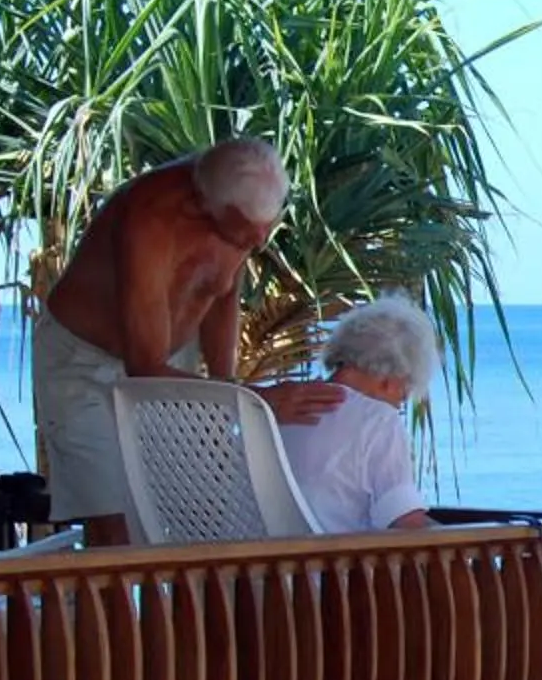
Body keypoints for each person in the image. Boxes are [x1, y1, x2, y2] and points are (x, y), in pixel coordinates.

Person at [33, 137, 337, 546]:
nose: (260, 242)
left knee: (198, 508)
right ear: (212, 206)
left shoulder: (242, 213)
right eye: (248, 233)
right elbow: (144, 368)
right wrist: (249, 399)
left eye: (265, 229)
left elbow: (221, 290)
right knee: (113, 524)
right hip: (83, 363)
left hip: (172, 362)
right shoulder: (150, 219)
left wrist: (226, 383)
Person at [277, 295, 440, 534]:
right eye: (405, 389)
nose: (401, 402)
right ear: (389, 379)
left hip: (254, 564)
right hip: (332, 567)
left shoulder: (282, 406)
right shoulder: (378, 419)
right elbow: (407, 524)